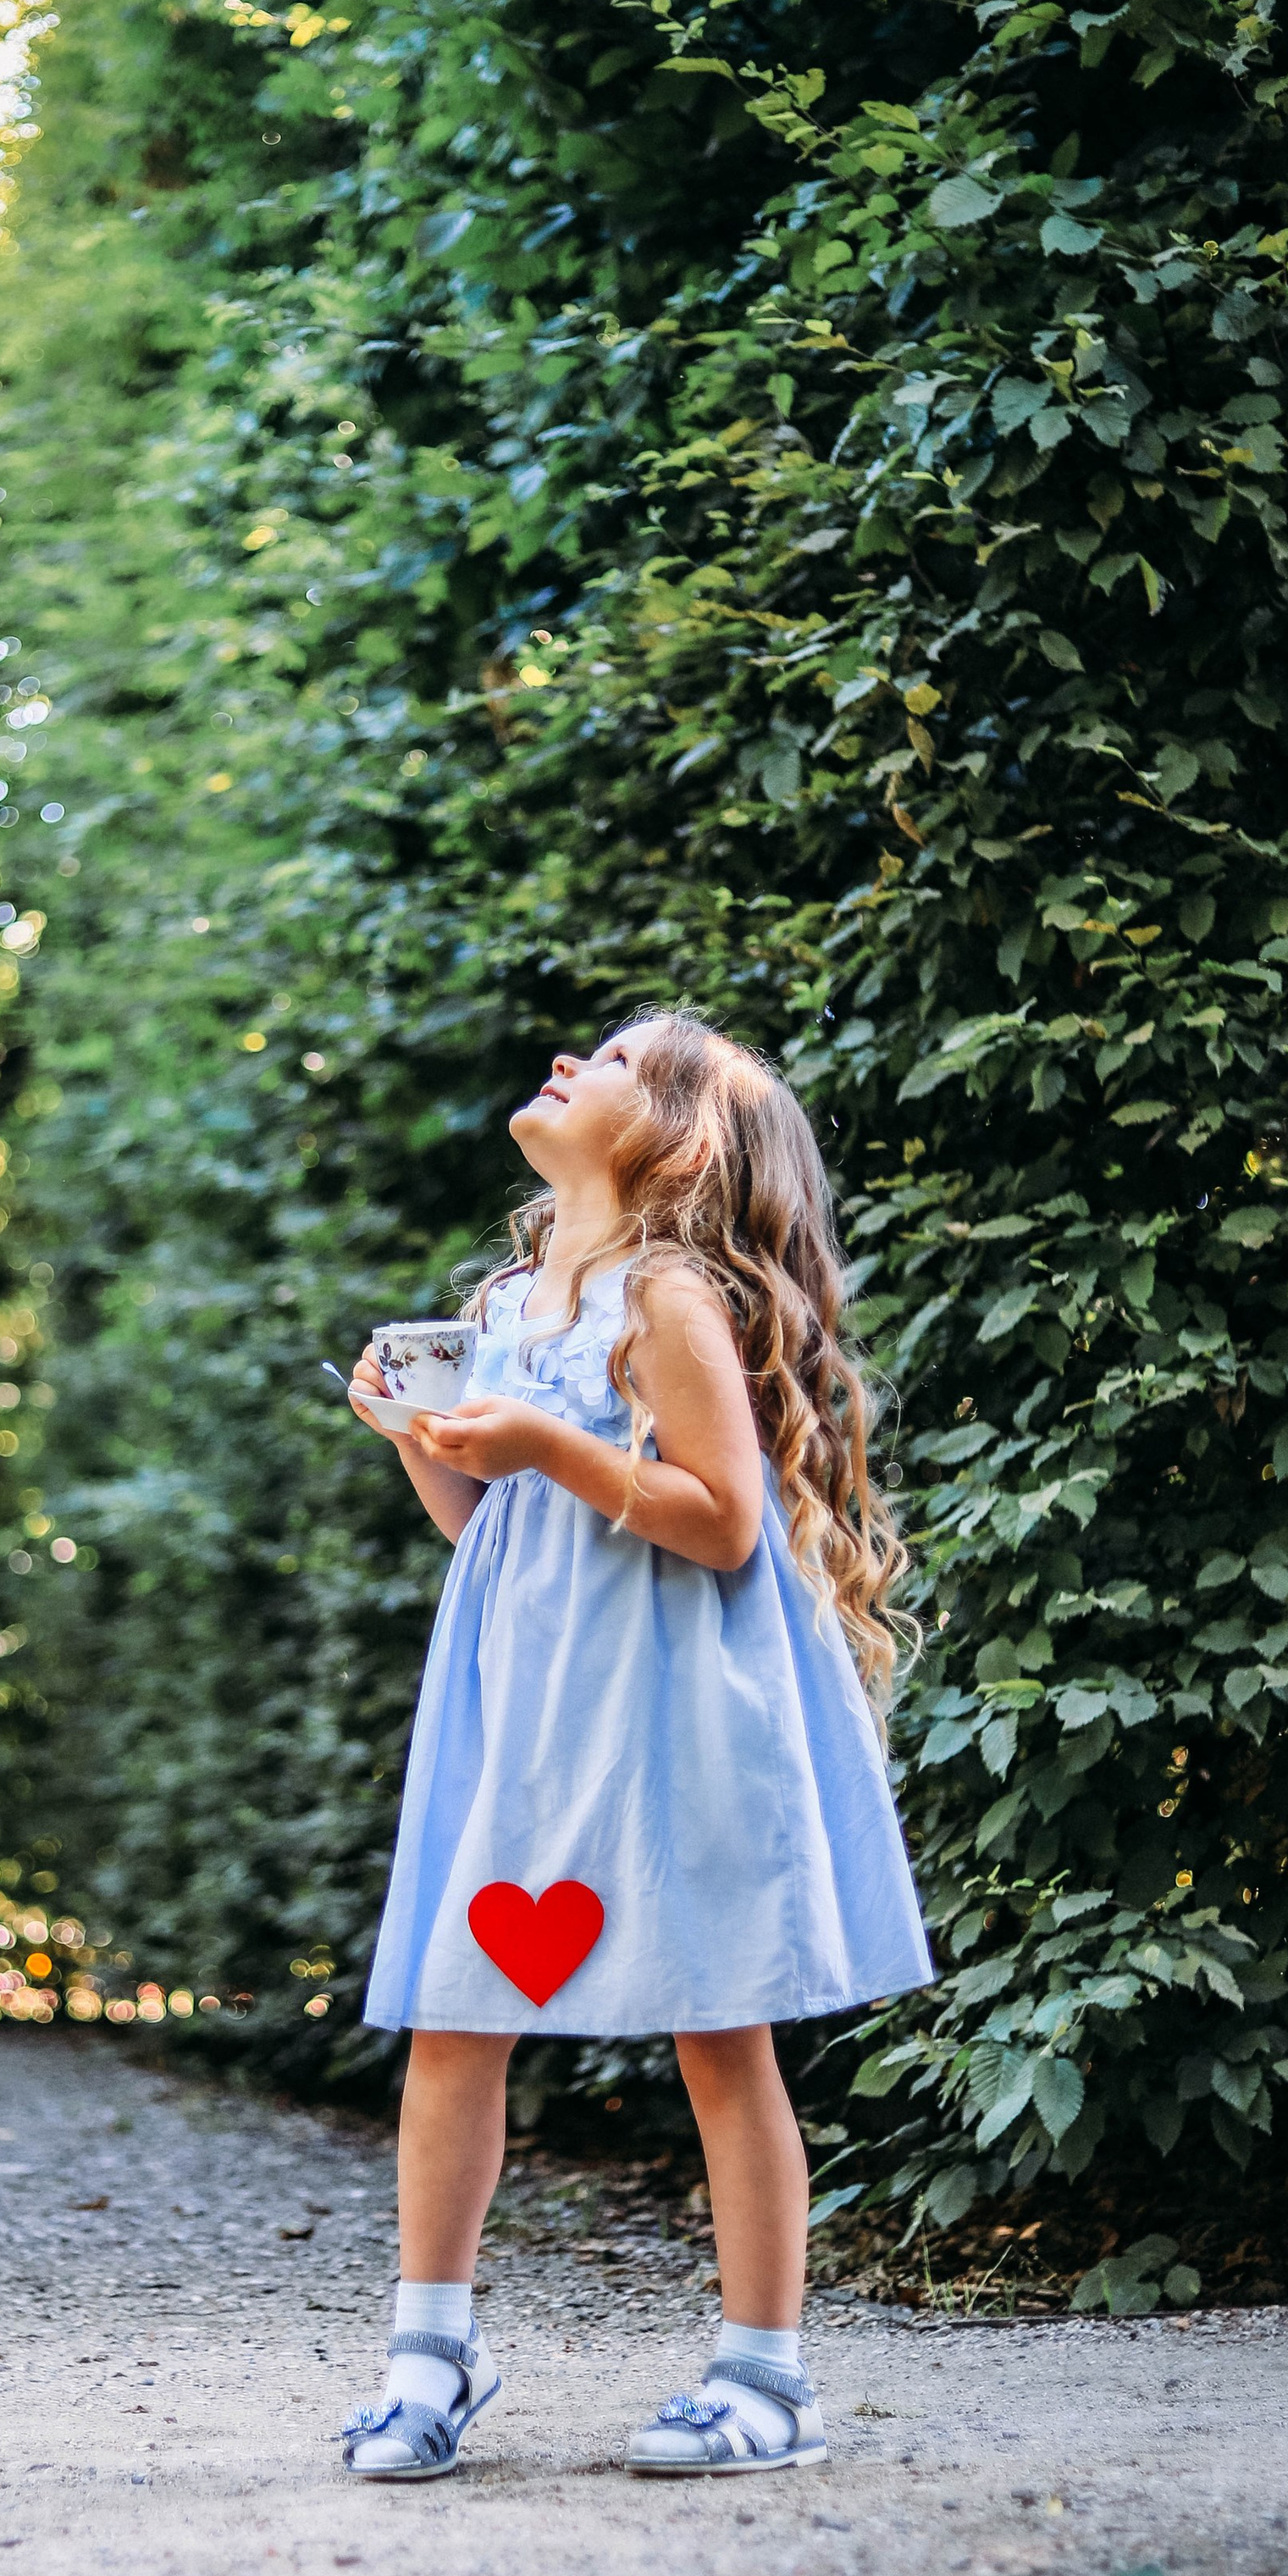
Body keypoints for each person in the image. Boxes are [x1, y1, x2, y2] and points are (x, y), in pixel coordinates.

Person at [339, 1011, 928, 2480]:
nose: (565, 1064)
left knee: (722, 2030)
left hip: (672, 1714)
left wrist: (547, 1444)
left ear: (674, 1137)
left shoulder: (663, 1298)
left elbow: (723, 1521)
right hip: (532, 1717)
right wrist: (420, 1438)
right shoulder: (510, 1300)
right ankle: (428, 2357)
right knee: (456, 2014)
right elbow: (488, 1531)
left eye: (607, 1062)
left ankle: (765, 2376)